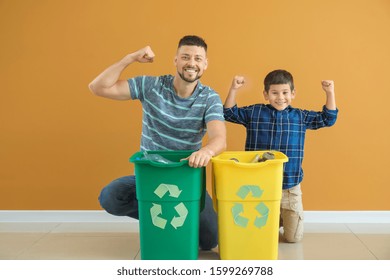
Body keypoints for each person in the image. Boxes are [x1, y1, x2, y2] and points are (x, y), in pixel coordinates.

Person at [88, 35, 226, 250]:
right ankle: (158, 220)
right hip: (151, 175)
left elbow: (219, 139)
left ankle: (177, 223)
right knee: (110, 197)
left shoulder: (209, 98)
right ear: (176, 60)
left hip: (186, 177)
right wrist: (129, 58)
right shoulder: (152, 86)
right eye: (186, 57)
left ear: (205, 64)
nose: (192, 63)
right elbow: (98, 87)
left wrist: (207, 151)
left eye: (198, 59)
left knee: (210, 240)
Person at [224, 70, 338, 243]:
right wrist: (233, 89)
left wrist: (330, 92)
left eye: (285, 93)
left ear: (293, 94)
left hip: (290, 186)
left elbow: (328, 119)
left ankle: (284, 217)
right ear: (266, 94)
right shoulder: (254, 112)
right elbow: (229, 113)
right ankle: (273, 219)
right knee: (261, 231)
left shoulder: (300, 116)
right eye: (274, 93)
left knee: (293, 238)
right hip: (259, 185)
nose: (280, 97)